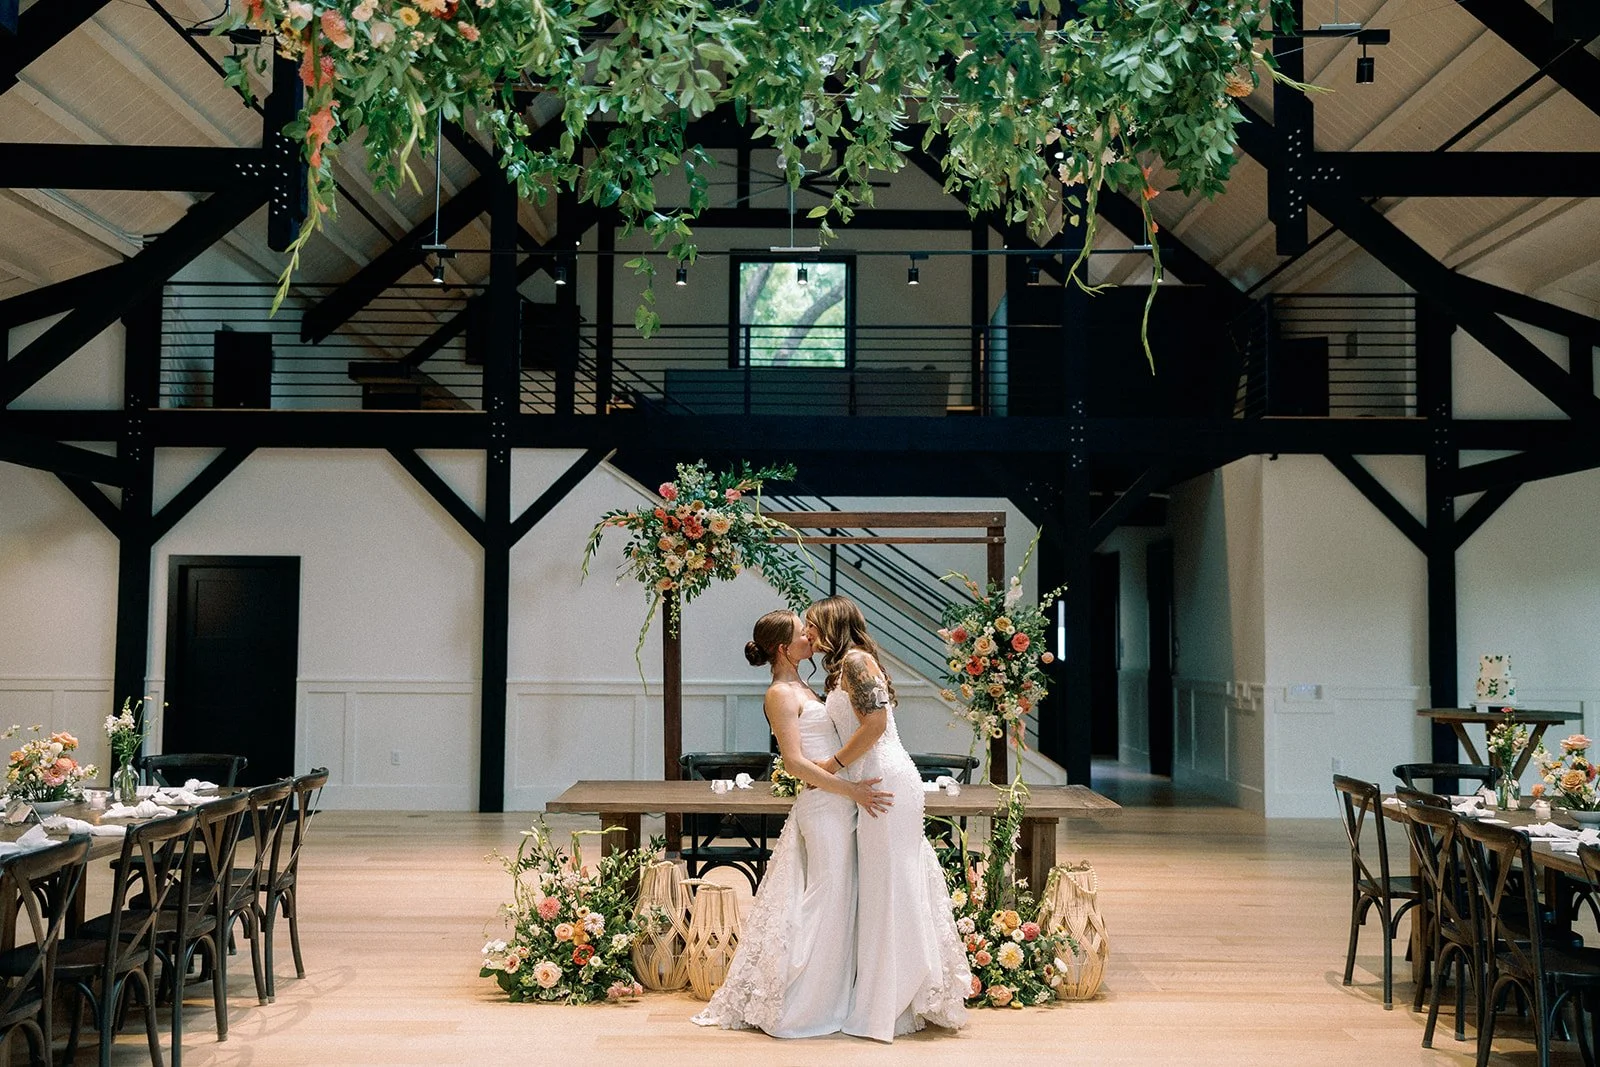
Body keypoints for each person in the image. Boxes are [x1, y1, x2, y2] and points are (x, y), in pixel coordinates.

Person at [692, 609, 893, 1037]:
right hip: (824, 804)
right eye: (804, 632)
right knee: (826, 895)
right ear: (784, 648)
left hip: (839, 801)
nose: (811, 636)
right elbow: (795, 764)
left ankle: (834, 996)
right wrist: (851, 789)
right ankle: (803, 1003)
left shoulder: (804, 685)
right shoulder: (780, 694)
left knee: (840, 896)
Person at [806, 595, 971, 1042]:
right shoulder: (845, 666)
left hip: (885, 782)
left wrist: (831, 767)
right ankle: (886, 994)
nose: (808, 633)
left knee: (891, 886)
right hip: (870, 781)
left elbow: (876, 724)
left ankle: (894, 1000)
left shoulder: (857, 662)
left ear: (834, 625)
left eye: (813, 624)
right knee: (881, 888)